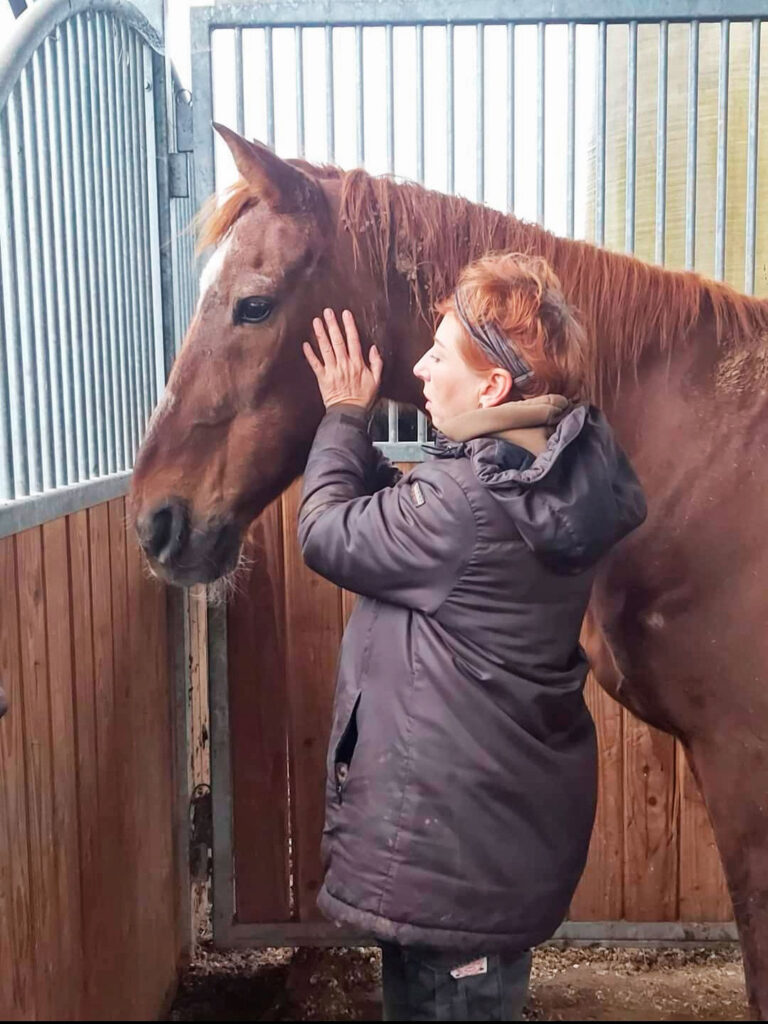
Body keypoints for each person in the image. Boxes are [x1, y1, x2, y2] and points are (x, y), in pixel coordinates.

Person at [299, 252, 647, 1022]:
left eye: (439, 352)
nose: (419, 367)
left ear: (494, 388)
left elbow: (325, 531)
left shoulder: (464, 504)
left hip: (453, 859)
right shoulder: (551, 471)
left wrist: (343, 414)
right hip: (480, 844)